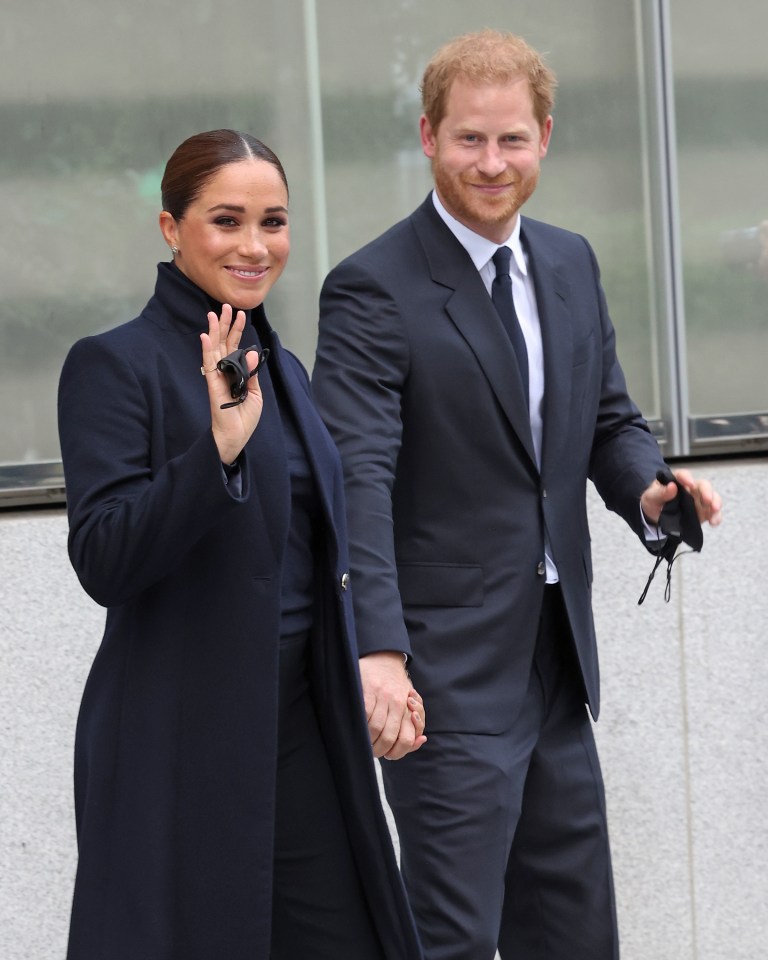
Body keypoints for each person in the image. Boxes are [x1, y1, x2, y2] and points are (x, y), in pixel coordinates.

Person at [312, 31, 722, 960]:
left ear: (544, 137)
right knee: (456, 939)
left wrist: (650, 493)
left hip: (554, 660)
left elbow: (608, 420)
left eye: (510, 140)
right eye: (468, 140)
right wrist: (377, 651)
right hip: (442, 675)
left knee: (574, 932)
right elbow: (358, 480)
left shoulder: (570, 263)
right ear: (428, 135)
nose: (490, 164)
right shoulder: (373, 287)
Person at [58, 129, 425, 960]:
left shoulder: (283, 369)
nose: (255, 246)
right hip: (181, 738)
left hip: (304, 723)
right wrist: (215, 452)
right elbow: (105, 559)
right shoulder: (114, 365)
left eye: (274, 221)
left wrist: (377, 657)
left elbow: (317, 546)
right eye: (226, 220)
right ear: (170, 227)